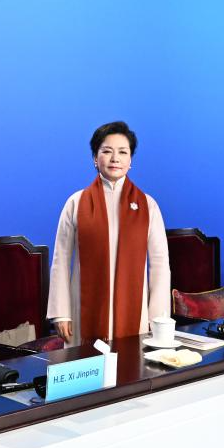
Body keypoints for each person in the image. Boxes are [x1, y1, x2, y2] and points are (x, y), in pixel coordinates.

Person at [46, 121, 170, 345]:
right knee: (85, 363)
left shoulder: (147, 205)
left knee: (132, 362)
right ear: (95, 157)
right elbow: (61, 259)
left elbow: (160, 263)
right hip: (83, 311)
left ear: (130, 160)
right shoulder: (76, 203)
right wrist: (61, 313)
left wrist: (157, 317)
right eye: (106, 151)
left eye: (123, 152)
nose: (115, 158)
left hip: (135, 314)